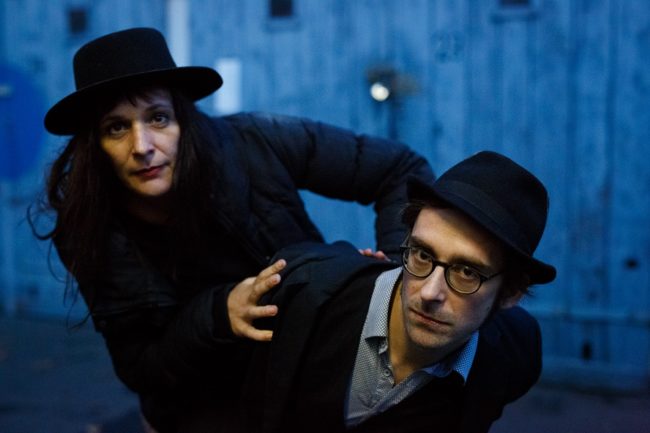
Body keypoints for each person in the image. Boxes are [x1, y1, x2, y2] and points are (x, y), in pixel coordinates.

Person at [29, 27, 434, 432]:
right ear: (95, 145)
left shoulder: (252, 143)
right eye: (116, 128)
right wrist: (221, 313)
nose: (142, 146)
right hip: (195, 406)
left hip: (305, 375)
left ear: (183, 120)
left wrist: (395, 273)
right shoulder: (90, 228)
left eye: (158, 118)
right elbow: (141, 368)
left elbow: (400, 171)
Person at [233, 151, 557, 433]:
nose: (430, 292)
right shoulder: (306, 289)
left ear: (511, 294)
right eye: (423, 254)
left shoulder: (515, 355)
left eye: (467, 272)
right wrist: (223, 309)